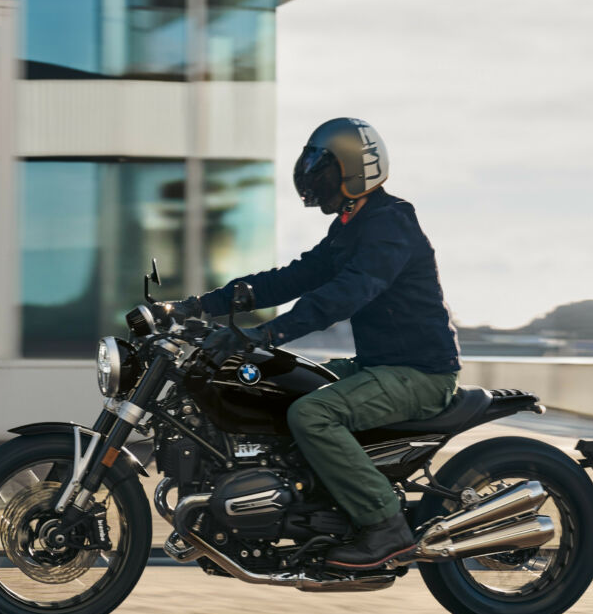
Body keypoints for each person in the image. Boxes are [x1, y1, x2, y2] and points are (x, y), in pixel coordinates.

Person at [185, 117, 462, 569]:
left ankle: (386, 528)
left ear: (352, 169)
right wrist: (199, 305)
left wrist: (267, 333)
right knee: (287, 385)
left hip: (420, 374)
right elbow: (293, 278)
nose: (311, 172)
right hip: (381, 364)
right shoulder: (352, 226)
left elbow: (347, 292)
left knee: (311, 414)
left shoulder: (390, 224)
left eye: (322, 164)